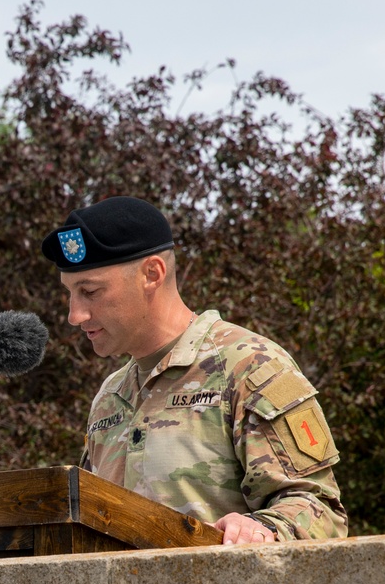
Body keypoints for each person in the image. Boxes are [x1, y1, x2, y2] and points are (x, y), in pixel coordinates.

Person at [41, 196, 348, 544]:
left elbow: (319, 507)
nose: (74, 315)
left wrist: (263, 529)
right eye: (70, 293)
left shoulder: (249, 366)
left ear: (151, 274)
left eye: (90, 291)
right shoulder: (110, 396)